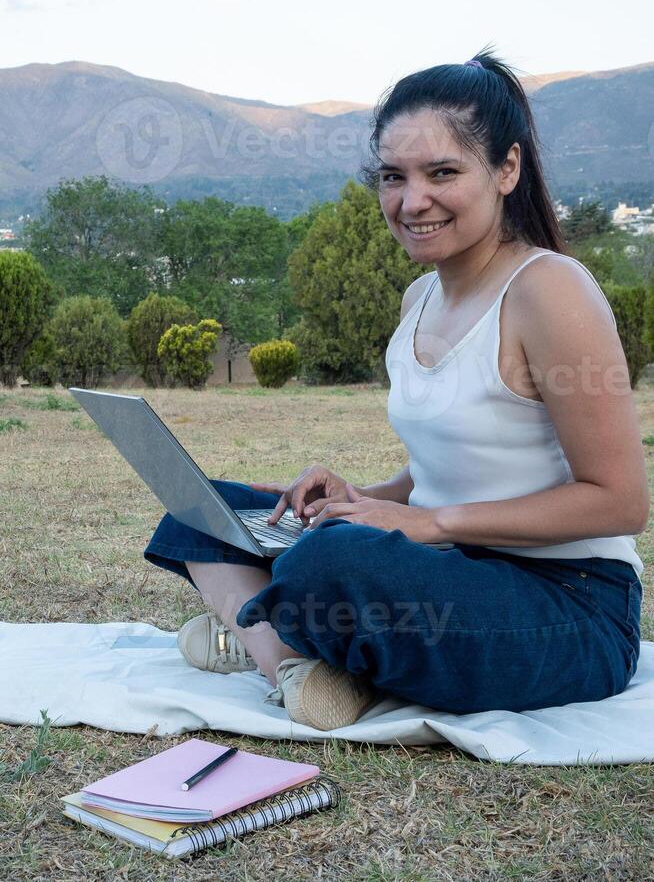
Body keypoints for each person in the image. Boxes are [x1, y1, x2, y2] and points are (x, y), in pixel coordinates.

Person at [144, 49, 648, 732]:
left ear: (507, 169)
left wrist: (429, 524)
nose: (412, 201)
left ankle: (268, 640)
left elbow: (618, 502)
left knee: (331, 562)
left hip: (568, 610)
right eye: (393, 177)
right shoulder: (422, 295)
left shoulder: (549, 291)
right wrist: (368, 498)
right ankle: (294, 668)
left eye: (442, 172)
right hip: (447, 570)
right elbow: (461, 458)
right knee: (199, 511)